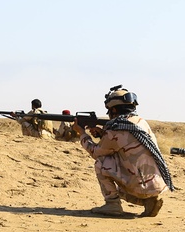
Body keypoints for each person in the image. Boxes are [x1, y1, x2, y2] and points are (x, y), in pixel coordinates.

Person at [74, 86, 173, 217]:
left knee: (101, 162)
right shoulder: (140, 123)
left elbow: (95, 152)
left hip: (140, 186)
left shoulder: (117, 129)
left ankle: (112, 204)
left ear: (114, 109)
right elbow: (124, 141)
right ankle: (149, 201)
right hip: (156, 184)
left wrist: (81, 133)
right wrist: (104, 133)